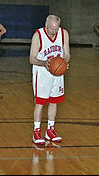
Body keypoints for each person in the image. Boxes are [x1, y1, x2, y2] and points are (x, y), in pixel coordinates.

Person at [29, 14, 70, 145]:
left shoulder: (64, 34)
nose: (54, 32)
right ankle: (36, 131)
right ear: (46, 25)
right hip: (42, 73)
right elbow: (32, 59)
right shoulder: (38, 35)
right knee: (40, 103)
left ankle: (50, 130)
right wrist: (44, 63)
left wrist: (64, 62)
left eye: (56, 29)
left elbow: (67, 54)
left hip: (57, 74)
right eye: (51, 29)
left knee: (54, 101)